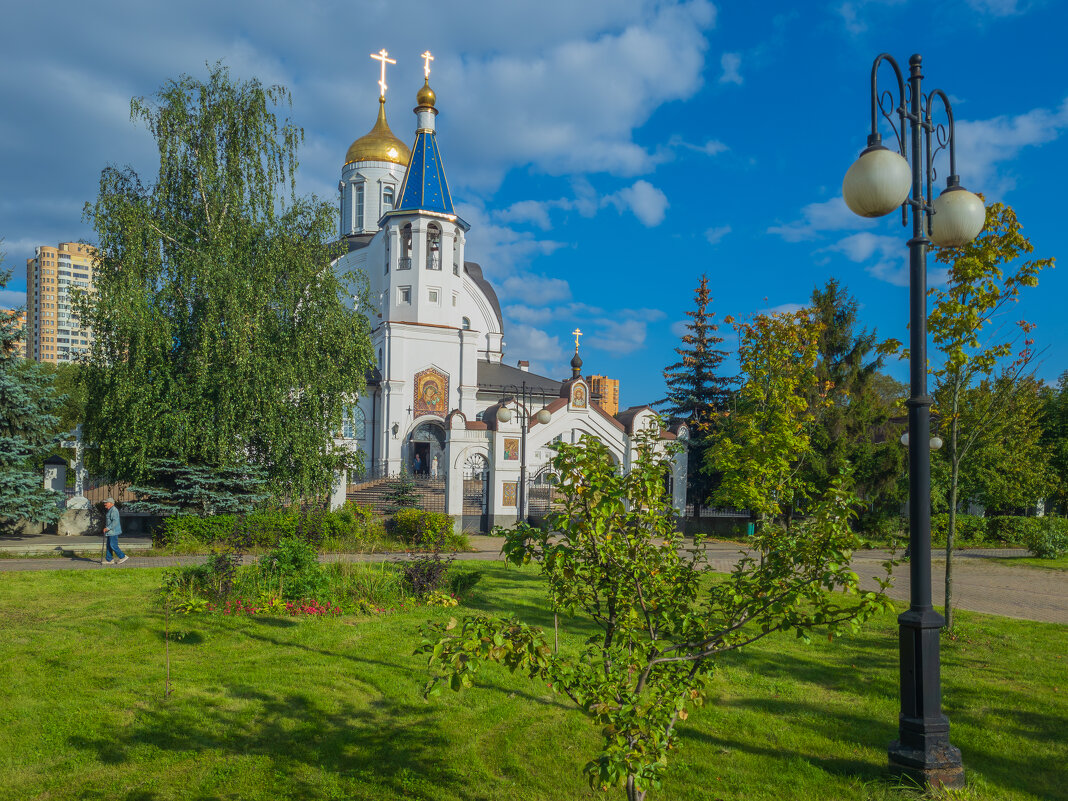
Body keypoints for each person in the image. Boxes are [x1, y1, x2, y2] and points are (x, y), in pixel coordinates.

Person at [102, 497, 128, 566]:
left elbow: (115, 521)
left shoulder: (114, 510)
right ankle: (109, 559)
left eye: (106, 503)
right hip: (110, 532)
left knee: (113, 545)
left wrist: (107, 528)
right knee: (109, 545)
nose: (105, 504)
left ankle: (122, 556)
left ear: (111, 503)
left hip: (113, 531)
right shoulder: (110, 510)